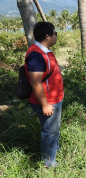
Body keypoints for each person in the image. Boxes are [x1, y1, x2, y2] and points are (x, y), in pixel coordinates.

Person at [25, 22, 64, 167]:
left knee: (54, 129)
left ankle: (54, 151)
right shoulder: (36, 55)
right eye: (55, 33)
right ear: (47, 36)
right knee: (50, 131)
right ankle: (49, 163)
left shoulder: (44, 51)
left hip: (54, 99)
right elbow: (35, 82)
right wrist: (45, 104)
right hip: (47, 101)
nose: (56, 36)